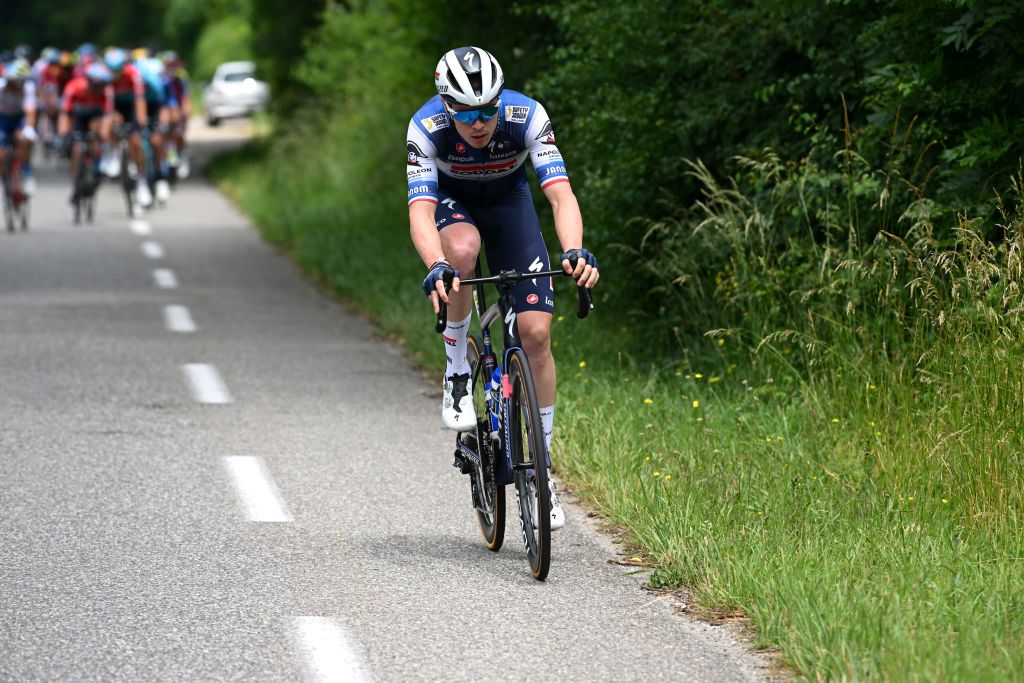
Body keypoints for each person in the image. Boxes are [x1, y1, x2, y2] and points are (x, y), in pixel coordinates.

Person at [407, 46, 599, 529]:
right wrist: (436, 263)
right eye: (466, 113)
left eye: (488, 109)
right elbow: (420, 212)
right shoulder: (425, 129)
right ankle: (455, 374)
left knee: (535, 335)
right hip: (455, 206)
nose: (479, 122)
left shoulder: (527, 116)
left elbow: (560, 194)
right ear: (447, 107)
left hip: (511, 204)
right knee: (464, 253)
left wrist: (574, 250)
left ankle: (542, 470)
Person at [0, 58, 39, 195]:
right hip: (2, 119)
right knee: (1, 153)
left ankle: (27, 174)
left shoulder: (28, 87)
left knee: (23, 141)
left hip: (19, 118)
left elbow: (30, 110)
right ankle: (4, 178)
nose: (17, 86)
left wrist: (29, 128)